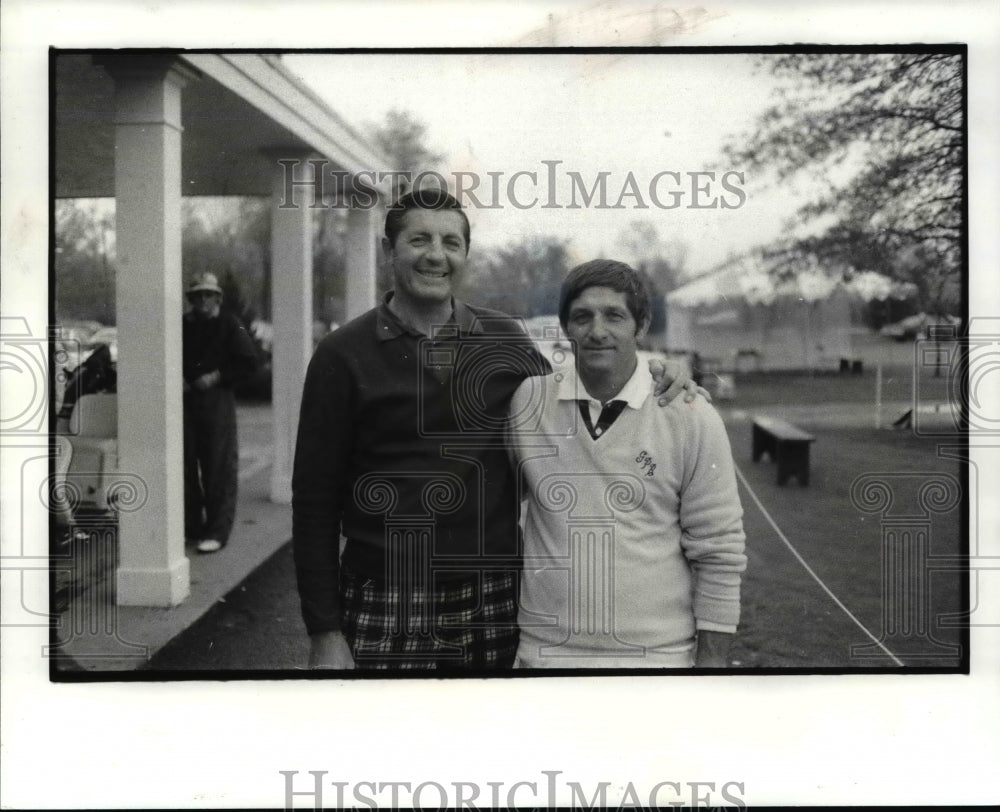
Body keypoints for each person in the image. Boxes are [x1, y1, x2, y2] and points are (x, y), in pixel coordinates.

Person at [292, 189, 695, 671]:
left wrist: (658, 369)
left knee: (493, 737)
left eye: (450, 242)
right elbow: (314, 503)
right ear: (388, 251)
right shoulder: (341, 355)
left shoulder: (503, 337)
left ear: (464, 255)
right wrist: (325, 631)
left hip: (493, 597)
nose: (436, 255)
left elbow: (580, 384)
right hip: (386, 594)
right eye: (419, 240)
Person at [509, 259, 746, 668]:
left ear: (640, 325)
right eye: (582, 317)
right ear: (566, 328)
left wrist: (713, 669)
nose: (597, 331)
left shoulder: (688, 412)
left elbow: (719, 550)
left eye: (614, 316)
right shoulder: (529, 402)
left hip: (657, 659)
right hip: (544, 654)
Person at [182, 272, 258, 554]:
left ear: (217, 298)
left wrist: (216, 377)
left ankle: (216, 530)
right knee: (185, 464)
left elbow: (250, 361)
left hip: (216, 401)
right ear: (191, 299)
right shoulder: (183, 326)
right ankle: (191, 527)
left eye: (208, 295)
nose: (203, 300)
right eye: (198, 295)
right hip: (186, 400)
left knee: (218, 465)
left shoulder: (229, 324)